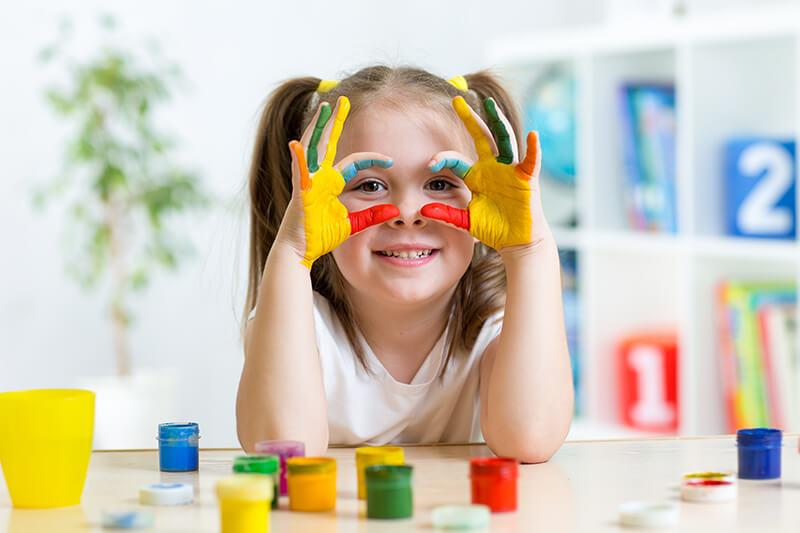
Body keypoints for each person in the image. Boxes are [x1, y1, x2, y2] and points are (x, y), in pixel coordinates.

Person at [236, 66, 573, 462]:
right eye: (369, 185)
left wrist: (529, 248)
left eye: (442, 183)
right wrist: (293, 254)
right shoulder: (297, 319)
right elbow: (282, 452)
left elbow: (529, 439)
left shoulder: (497, 323)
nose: (408, 212)